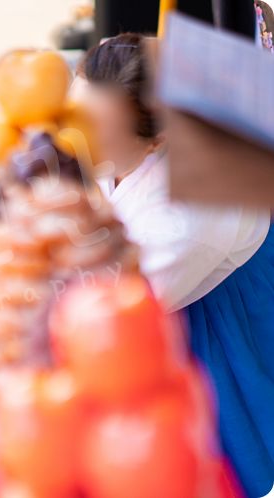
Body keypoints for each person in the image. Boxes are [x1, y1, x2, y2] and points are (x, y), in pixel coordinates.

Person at [70, 33, 273, 497]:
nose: (72, 138)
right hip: (139, 284)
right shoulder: (111, 115)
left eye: (95, 129)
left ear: (157, 140)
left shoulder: (190, 214)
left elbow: (107, 307)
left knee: (198, 465)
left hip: (205, 316)